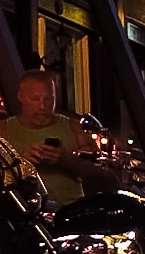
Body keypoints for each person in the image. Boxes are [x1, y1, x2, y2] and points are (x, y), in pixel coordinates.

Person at [2, 69, 117, 203]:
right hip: (24, 216)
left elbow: (105, 176)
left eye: (49, 99)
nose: (43, 106)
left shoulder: (75, 128)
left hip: (70, 213)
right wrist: (21, 163)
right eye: (35, 99)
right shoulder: (4, 130)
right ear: (20, 96)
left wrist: (66, 159)